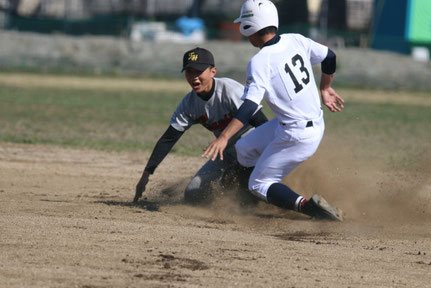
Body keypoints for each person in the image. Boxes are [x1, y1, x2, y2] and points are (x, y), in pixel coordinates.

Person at [202, 0, 345, 221]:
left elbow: (250, 106)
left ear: (249, 27)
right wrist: (324, 88)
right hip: (301, 123)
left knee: (259, 184)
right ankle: (249, 197)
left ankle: (310, 209)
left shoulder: (259, 62)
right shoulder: (295, 39)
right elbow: (330, 57)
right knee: (244, 148)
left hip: (296, 134)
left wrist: (223, 137)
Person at [134, 47, 268, 204]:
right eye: (189, 72)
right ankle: (228, 187)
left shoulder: (229, 89)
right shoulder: (189, 104)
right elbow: (168, 139)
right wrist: (146, 175)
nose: (194, 77)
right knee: (193, 194)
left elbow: (262, 123)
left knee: (249, 194)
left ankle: (250, 188)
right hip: (226, 153)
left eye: (199, 71)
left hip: (254, 147)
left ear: (213, 71)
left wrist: (270, 155)